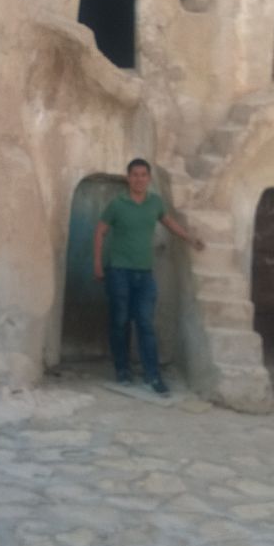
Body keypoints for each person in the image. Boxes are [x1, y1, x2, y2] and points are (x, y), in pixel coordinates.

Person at [93, 158, 205, 395]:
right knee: (120, 321)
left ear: (149, 178)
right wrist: (97, 265)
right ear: (128, 178)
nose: (139, 179)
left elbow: (169, 222)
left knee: (145, 323)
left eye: (143, 175)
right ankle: (122, 370)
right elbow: (100, 232)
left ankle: (153, 375)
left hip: (144, 275)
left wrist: (190, 239)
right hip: (119, 271)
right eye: (135, 174)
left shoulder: (155, 203)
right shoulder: (117, 204)